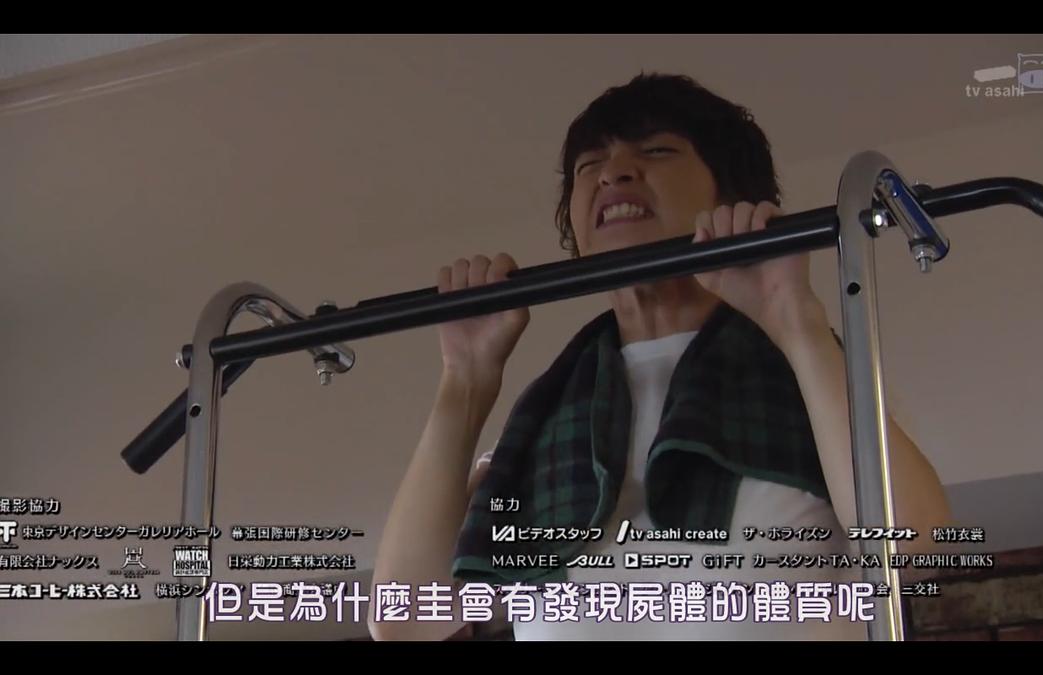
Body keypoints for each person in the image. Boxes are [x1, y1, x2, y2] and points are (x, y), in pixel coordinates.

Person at [368, 73, 952, 641]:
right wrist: (466, 379)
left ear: (733, 197)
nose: (613, 172)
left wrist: (791, 318)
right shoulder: (540, 432)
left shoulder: (809, 382)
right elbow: (405, 618)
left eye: (656, 150)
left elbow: (915, 549)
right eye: (589, 165)